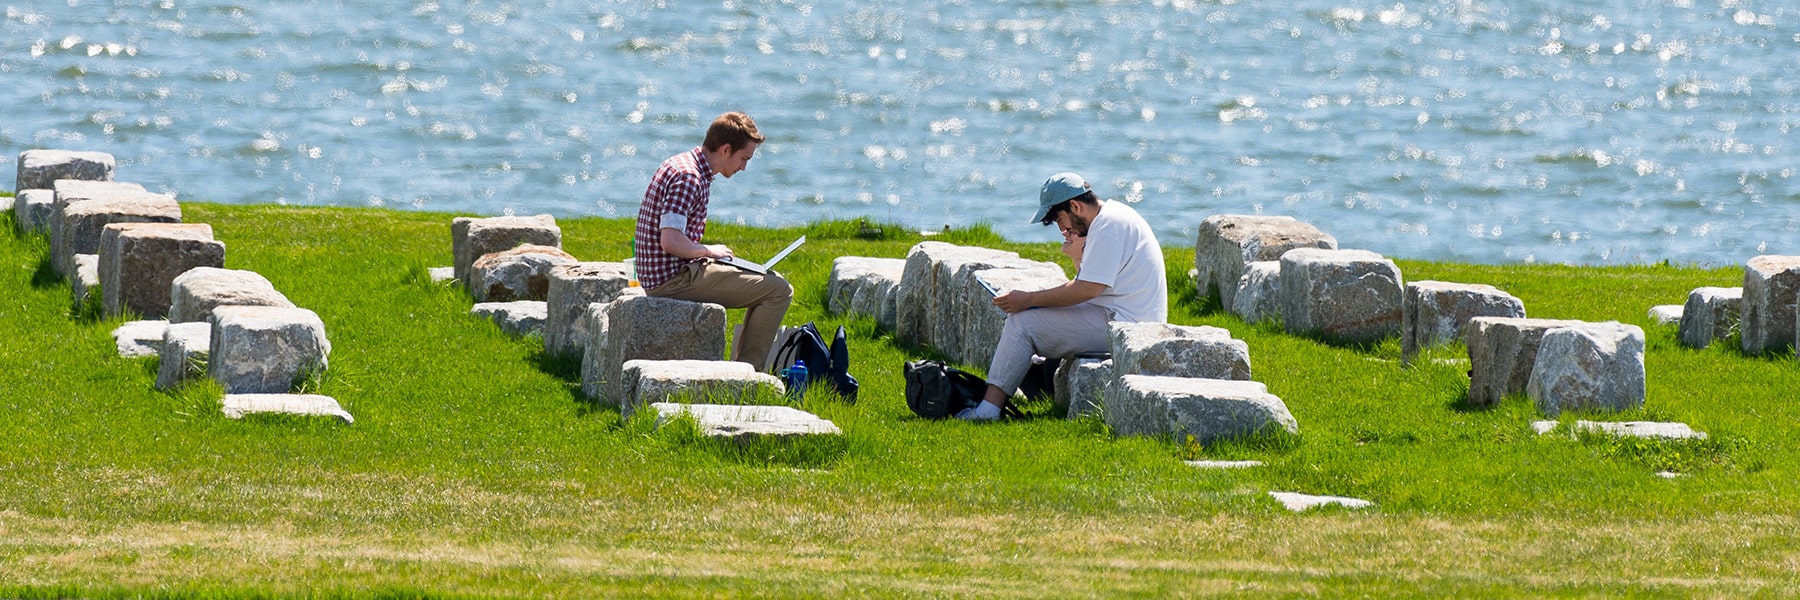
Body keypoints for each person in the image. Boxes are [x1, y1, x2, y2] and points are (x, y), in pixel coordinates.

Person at [958, 172, 1167, 421]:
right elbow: (1090, 285)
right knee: (1031, 316)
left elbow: (1086, 290)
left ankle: (988, 411)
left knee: (1023, 324)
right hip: (1121, 316)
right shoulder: (1112, 218)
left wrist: (1029, 300)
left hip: (1125, 325)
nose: (1062, 229)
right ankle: (1001, 397)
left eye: (1059, 219)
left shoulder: (1108, 227)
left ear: (1075, 206)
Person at [632, 111, 793, 370]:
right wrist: (709, 250)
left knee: (767, 278)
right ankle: (747, 371)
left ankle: (743, 367)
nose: (743, 167)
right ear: (726, 150)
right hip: (672, 280)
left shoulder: (685, 165)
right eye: (744, 159)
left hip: (674, 270)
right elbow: (670, 241)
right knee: (778, 290)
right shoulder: (689, 178)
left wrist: (706, 254)